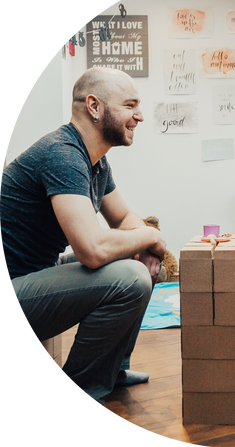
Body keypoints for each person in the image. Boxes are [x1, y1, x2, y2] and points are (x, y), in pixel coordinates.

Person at [1, 67, 167, 407]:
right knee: (132, 275)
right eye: (130, 105)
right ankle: (82, 387)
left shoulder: (96, 162)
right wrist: (149, 235)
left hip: (34, 275)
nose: (140, 116)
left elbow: (122, 217)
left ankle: (113, 370)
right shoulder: (61, 154)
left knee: (141, 263)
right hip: (16, 287)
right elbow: (91, 250)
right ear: (94, 106)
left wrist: (146, 242)